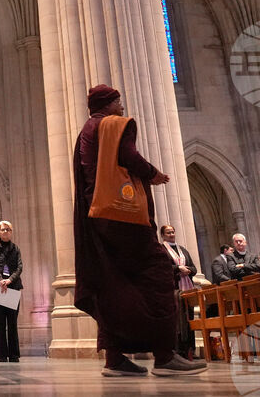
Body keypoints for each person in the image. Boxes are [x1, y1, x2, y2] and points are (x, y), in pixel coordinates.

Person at [73, 84, 206, 377]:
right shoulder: (114, 126)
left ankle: (115, 359)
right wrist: (153, 174)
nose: (122, 107)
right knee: (158, 274)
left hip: (98, 217)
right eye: (119, 101)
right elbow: (129, 156)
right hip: (125, 220)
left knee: (111, 285)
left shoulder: (86, 130)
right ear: (108, 104)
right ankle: (164, 356)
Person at [0, 220, 23, 363]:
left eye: (8, 229)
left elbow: (20, 267)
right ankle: (3, 355)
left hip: (12, 287)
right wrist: (0, 279)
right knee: (0, 323)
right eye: (3, 230)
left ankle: (14, 355)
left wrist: (9, 280)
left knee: (12, 322)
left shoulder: (16, 248)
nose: (6, 232)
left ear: (11, 232)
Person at [160, 224, 197, 359]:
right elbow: (162, 267)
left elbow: (194, 268)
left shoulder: (183, 250)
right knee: (177, 321)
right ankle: (178, 350)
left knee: (189, 319)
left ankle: (190, 350)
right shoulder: (162, 249)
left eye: (173, 232)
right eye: (168, 233)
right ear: (163, 235)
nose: (171, 235)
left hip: (188, 289)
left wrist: (188, 270)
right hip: (173, 289)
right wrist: (177, 269)